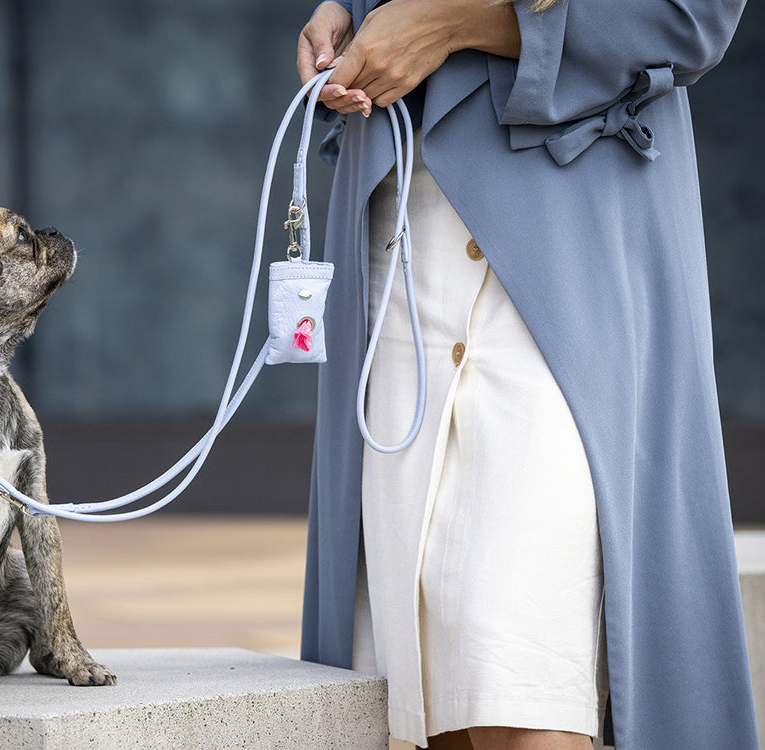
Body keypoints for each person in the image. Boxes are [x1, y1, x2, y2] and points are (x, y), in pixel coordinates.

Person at [295, 1, 758, 749]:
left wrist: (453, 22)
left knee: (526, 674)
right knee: (426, 689)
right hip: (402, 234)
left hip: (570, 239)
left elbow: (689, 14)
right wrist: (347, 12)